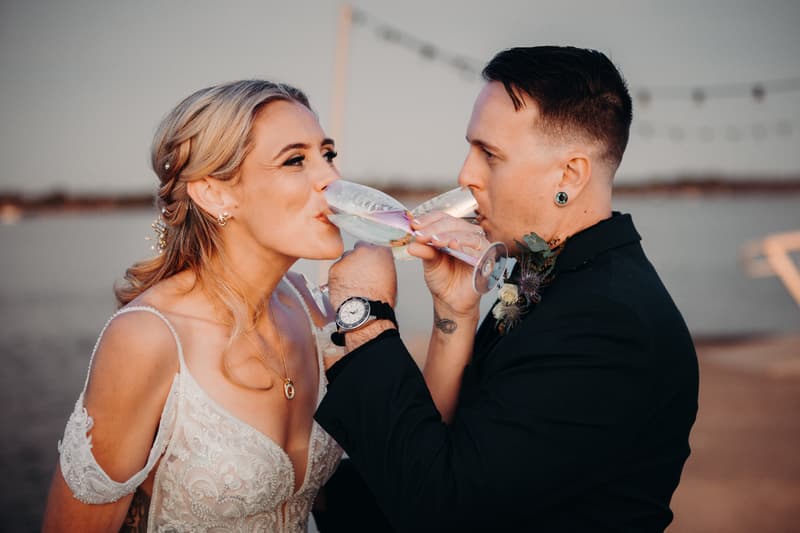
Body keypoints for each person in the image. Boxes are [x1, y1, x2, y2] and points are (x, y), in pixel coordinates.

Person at [313, 46, 699, 532]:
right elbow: (440, 446)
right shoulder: (554, 274)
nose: (466, 175)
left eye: (489, 155)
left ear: (569, 176)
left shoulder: (607, 327)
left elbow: (439, 507)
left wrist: (362, 316)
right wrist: (454, 315)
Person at [42, 80, 345, 532]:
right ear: (215, 193)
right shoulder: (149, 339)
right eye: (295, 160)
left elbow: (411, 463)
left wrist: (449, 310)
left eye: (328, 154)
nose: (332, 179)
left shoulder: (311, 308)